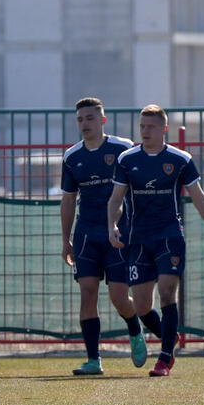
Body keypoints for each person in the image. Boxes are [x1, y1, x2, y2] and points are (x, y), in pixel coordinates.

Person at [107, 104, 204, 377]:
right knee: (142, 304)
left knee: (167, 291)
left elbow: (199, 197)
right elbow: (116, 199)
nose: (145, 131)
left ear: (163, 129)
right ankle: (169, 336)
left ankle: (165, 358)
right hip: (138, 240)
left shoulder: (180, 159)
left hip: (169, 237)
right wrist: (112, 225)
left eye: (151, 126)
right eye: (142, 126)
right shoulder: (127, 160)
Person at [60, 97, 146, 375]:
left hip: (117, 232)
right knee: (87, 294)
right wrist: (66, 239)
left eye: (90, 118)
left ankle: (134, 327)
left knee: (119, 298)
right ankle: (93, 359)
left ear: (102, 120)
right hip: (86, 234)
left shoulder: (123, 149)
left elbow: (139, 187)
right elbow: (69, 200)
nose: (85, 124)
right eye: (80, 120)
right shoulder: (72, 156)